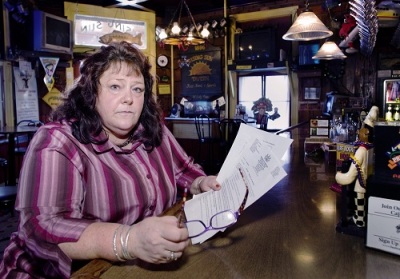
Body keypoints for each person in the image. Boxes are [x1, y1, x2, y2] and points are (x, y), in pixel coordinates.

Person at [0, 42, 221, 278]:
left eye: (137, 89)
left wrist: (201, 182)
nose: (128, 98)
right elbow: (45, 226)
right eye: (115, 86)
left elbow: (183, 169)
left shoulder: (152, 130)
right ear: (91, 93)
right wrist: (129, 240)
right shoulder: (57, 141)